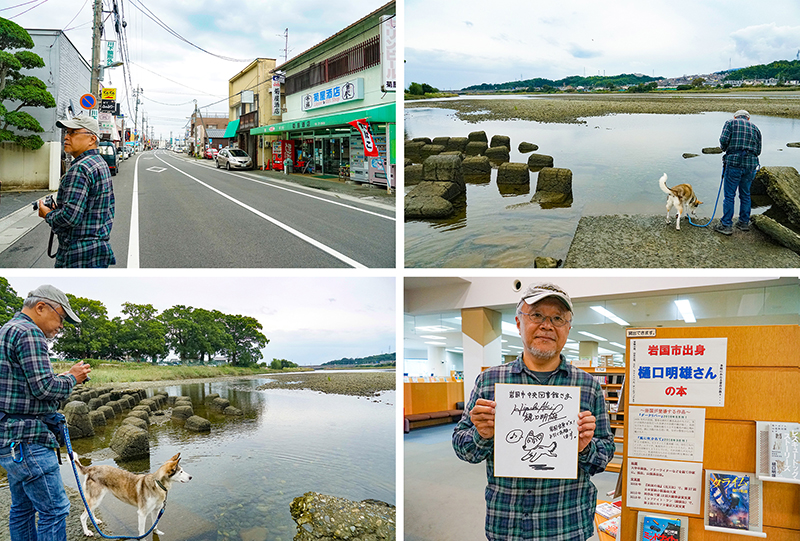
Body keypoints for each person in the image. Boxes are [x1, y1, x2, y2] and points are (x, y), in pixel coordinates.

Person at [453, 282, 615, 541]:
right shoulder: (489, 382)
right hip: (508, 523)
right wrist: (481, 434)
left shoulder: (588, 386)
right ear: (519, 322)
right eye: (537, 315)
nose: (547, 325)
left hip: (567, 523)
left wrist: (585, 447)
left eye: (558, 318)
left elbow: (604, 456)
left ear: (568, 328)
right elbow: (463, 449)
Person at [0, 285, 92, 541]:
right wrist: (73, 378)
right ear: (41, 307)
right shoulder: (30, 333)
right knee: (55, 510)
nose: (61, 325)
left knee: (22, 509)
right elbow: (45, 388)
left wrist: (62, 377)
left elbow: (23, 386)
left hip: (9, 439)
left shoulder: (7, 330)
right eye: (61, 317)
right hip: (30, 441)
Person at [38, 116, 116, 267]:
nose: (66, 137)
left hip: (78, 253)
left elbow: (70, 217)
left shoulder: (80, 168)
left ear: (92, 139)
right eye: (67, 132)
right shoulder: (100, 163)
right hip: (97, 249)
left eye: (73, 132)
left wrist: (47, 214)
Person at [715, 109, 762, 236]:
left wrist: (727, 150)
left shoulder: (730, 123)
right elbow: (758, 150)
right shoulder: (756, 128)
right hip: (751, 165)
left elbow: (723, 141)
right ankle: (743, 223)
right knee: (745, 194)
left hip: (734, 163)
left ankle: (726, 225)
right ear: (748, 118)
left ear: (735, 117)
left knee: (729, 195)